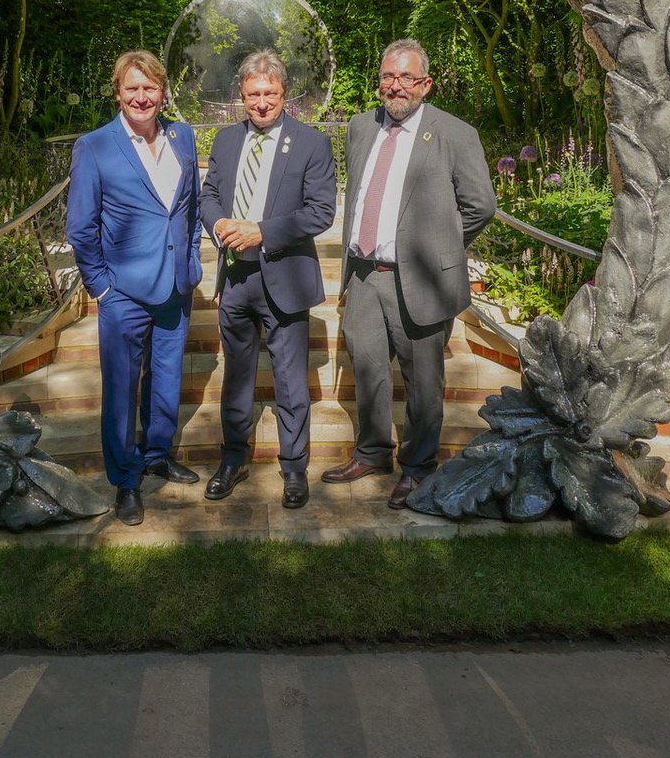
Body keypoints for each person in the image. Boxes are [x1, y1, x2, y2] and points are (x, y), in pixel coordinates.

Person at [322, 38, 495, 507]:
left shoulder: (454, 133)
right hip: (363, 276)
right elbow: (357, 194)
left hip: (419, 277)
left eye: (405, 78)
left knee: (423, 380)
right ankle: (372, 451)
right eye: (387, 77)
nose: (394, 87)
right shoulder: (360, 127)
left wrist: (440, 250)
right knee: (369, 369)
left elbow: (480, 206)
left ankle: (418, 467)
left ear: (425, 84)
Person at [66, 50, 202, 526]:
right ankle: (126, 480)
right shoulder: (95, 146)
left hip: (175, 288)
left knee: (165, 381)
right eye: (132, 89)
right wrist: (101, 288)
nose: (141, 97)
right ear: (118, 92)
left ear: (163, 92)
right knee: (122, 389)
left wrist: (191, 262)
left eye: (150, 88)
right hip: (122, 292)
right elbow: (81, 227)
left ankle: (158, 454)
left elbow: (191, 207)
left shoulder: (181, 136)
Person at [200, 50, 336, 509]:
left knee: (290, 380)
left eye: (270, 94)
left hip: (284, 277)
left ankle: (294, 469)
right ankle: (233, 459)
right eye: (254, 95)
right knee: (237, 377)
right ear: (241, 95)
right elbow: (211, 195)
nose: (262, 103)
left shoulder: (311, 143)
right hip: (236, 279)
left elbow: (321, 212)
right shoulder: (224, 140)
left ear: (285, 94)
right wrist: (220, 226)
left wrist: (261, 231)